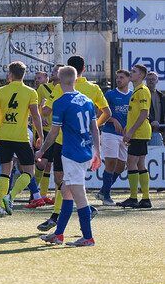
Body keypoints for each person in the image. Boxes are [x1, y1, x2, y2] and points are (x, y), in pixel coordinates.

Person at [37, 55, 111, 232]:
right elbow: (106, 113)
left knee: (64, 183)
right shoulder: (92, 90)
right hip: (84, 143)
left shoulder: (60, 90)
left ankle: (71, 223)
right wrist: (85, 128)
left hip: (65, 142)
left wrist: (45, 105)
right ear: (83, 70)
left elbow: (46, 112)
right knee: (68, 186)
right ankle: (61, 228)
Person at [0, 61, 46, 216]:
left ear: (11, 75)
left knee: (4, 172)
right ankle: (10, 197)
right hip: (21, 138)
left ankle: (2, 206)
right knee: (29, 172)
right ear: (23, 75)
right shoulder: (30, 92)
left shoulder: (0, 91)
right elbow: (35, 115)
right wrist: (40, 135)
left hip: (4, 137)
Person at [117, 64, 153, 209]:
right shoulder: (137, 90)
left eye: (134, 71)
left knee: (131, 163)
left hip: (139, 133)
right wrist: (128, 127)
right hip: (139, 132)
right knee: (139, 164)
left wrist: (131, 131)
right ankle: (145, 198)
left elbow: (144, 113)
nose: (131, 73)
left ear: (141, 75)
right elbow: (136, 112)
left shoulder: (142, 91)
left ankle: (134, 197)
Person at [95, 69, 131, 206]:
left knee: (121, 166)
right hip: (110, 133)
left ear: (128, 79)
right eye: (117, 77)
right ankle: (106, 196)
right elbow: (100, 113)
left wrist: (130, 127)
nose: (119, 80)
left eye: (122, 77)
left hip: (124, 136)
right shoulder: (110, 94)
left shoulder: (132, 95)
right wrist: (113, 120)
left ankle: (103, 191)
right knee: (111, 163)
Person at [32, 67, 58, 204]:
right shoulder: (42, 89)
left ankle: (42, 194)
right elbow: (34, 107)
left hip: (58, 130)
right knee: (42, 163)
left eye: (56, 71)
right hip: (46, 130)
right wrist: (40, 117)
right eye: (53, 71)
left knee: (49, 165)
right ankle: (34, 193)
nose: (54, 73)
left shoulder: (65, 89)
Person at [145, 70, 164, 146]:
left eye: (153, 79)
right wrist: (151, 121)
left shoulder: (161, 96)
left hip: (157, 132)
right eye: (149, 79)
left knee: (156, 155)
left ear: (157, 81)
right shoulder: (142, 93)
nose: (151, 81)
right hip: (144, 131)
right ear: (145, 81)